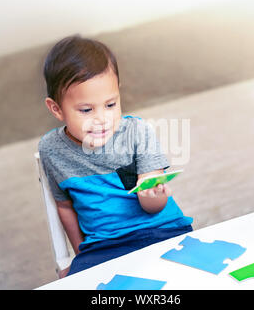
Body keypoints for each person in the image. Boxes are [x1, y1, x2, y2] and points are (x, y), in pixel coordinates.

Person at [38, 34, 193, 278]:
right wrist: (80, 256)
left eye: (110, 105)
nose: (102, 118)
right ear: (56, 109)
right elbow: (64, 206)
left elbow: (154, 206)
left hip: (160, 229)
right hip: (103, 246)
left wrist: (153, 195)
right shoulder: (51, 149)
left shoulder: (137, 132)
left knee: (185, 278)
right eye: (87, 110)